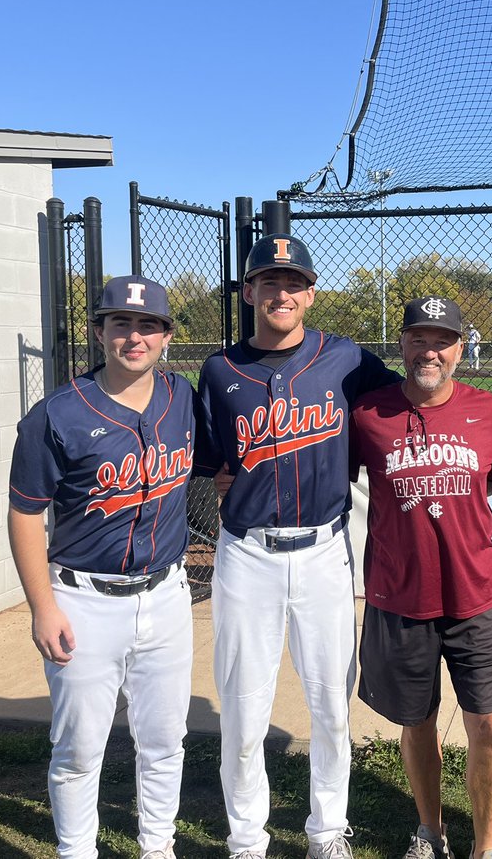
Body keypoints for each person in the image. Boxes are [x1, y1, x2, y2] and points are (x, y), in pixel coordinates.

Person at [196, 234, 399, 859]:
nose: (281, 293)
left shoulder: (347, 359)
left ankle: (327, 832)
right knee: (243, 707)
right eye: (269, 281)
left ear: (310, 294)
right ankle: (246, 839)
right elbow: (208, 456)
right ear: (249, 291)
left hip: (323, 551)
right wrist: (225, 473)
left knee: (331, 703)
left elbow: (415, 399)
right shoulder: (220, 370)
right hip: (247, 553)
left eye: (294, 283)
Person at [7, 275, 198, 859]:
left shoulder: (182, 397)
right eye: (122, 323)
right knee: (78, 749)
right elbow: (24, 513)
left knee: (165, 741)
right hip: (83, 599)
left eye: (148, 325)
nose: (135, 337)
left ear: (166, 336)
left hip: (167, 594)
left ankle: (158, 848)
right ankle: (76, 852)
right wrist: (42, 607)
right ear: (99, 332)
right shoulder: (55, 415)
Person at [350, 296, 492, 859]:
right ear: (402, 344)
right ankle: (430, 831)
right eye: (418, 338)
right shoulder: (367, 414)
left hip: (475, 595)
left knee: (489, 726)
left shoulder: (489, 411)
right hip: (400, 597)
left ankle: (486, 848)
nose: (430, 351)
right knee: (417, 723)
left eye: (442, 340)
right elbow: (319, 466)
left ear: (460, 349)